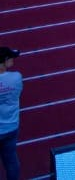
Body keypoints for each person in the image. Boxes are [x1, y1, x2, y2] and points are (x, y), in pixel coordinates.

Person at [0, 47, 20, 180]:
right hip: (12, 126)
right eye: (11, 57)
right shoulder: (17, 77)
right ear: (4, 61)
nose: (13, 59)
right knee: (11, 161)